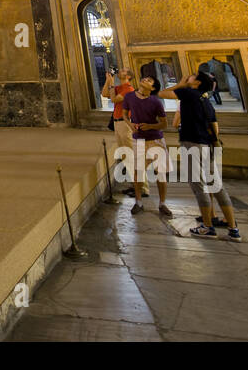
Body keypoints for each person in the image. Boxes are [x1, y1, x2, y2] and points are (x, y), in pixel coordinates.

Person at [159, 72, 240, 241]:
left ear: (197, 83)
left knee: (199, 186)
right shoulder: (206, 101)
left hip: (192, 143)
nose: (187, 77)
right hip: (207, 146)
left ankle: (208, 227)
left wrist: (181, 84)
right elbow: (214, 128)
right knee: (216, 186)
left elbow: (161, 93)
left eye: (191, 77)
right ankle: (233, 228)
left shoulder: (188, 94)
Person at [121, 74, 170, 216]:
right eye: (144, 78)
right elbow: (125, 114)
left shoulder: (155, 102)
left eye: (149, 80)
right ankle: (138, 202)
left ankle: (162, 203)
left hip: (155, 140)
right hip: (139, 139)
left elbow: (164, 124)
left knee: (160, 173)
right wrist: (130, 125)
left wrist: (150, 126)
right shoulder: (130, 97)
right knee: (138, 171)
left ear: (153, 88)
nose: (144, 80)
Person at [101, 68, 149, 197]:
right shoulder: (119, 87)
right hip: (117, 122)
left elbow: (114, 100)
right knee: (125, 155)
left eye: (123, 70)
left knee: (131, 155)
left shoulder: (128, 89)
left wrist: (111, 84)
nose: (120, 71)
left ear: (128, 76)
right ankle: (135, 184)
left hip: (125, 123)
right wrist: (108, 81)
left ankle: (143, 187)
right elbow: (105, 94)